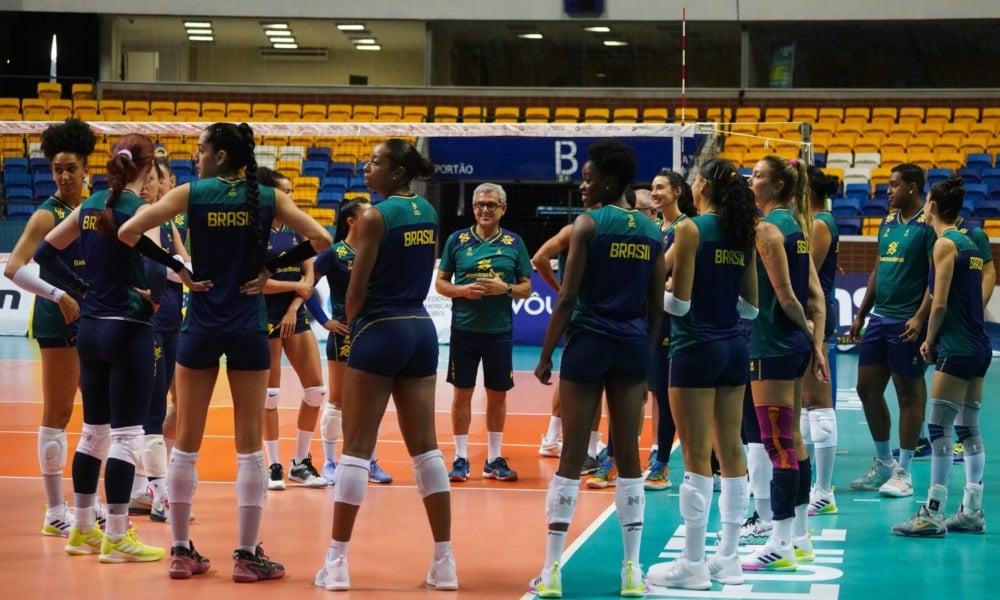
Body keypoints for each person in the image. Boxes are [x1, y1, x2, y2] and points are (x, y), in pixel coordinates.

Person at [117, 122, 331, 582]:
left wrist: (181, 270)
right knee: (250, 446)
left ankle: (178, 551)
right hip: (248, 327)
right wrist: (269, 266)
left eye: (201, 150)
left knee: (187, 444)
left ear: (219, 156)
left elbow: (129, 233)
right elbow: (323, 240)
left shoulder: (190, 194)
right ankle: (247, 555)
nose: (195, 157)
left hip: (200, 327)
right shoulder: (268, 198)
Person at [34, 133, 192, 563]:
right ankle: (118, 536)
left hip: (89, 329)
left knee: (93, 433)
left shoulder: (90, 205)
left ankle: (82, 528)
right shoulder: (143, 211)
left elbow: (44, 254)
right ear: (147, 167)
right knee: (127, 436)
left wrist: (81, 288)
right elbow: (159, 274)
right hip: (129, 329)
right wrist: (150, 296)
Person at [313, 139, 457, 591]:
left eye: (375, 162)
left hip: (380, 328)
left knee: (355, 448)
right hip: (420, 330)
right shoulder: (429, 214)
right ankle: (444, 562)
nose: (366, 167)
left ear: (397, 172)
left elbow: (354, 292)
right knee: (427, 450)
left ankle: (336, 564)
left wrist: (356, 327)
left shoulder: (375, 217)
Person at [529, 139, 665, 598]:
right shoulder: (650, 230)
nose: (582, 186)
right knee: (628, 457)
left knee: (571, 456)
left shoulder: (587, 224)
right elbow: (654, 306)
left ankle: (551, 572)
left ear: (608, 180)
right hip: (630, 347)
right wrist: (646, 362)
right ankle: (631, 570)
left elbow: (567, 296)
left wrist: (547, 354)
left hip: (588, 344)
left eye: (587, 179)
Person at [647, 158, 758, 589]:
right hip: (734, 347)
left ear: (705, 185)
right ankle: (727, 558)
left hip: (694, 348)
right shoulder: (742, 232)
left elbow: (681, 305)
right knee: (731, 450)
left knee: (695, 457)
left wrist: (660, 294)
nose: (690, 185)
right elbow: (751, 307)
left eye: (693, 179)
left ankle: (692, 564)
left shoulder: (691, 229)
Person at [4, 118, 95, 537]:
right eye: (57, 168)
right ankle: (55, 510)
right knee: (57, 414)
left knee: (98, 416)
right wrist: (58, 296)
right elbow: (13, 268)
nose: (63, 175)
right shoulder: (46, 216)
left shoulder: (96, 209)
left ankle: (87, 506)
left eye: (71, 168)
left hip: (96, 320)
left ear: (85, 169)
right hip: (57, 322)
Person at [742, 155, 827, 571]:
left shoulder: (768, 229)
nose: (749, 179)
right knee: (793, 439)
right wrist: (815, 342)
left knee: (777, 444)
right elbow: (817, 298)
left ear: (776, 187)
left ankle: (778, 543)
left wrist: (815, 341)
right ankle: (800, 539)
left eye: (757, 175)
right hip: (792, 344)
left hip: (773, 345)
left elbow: (789, 297)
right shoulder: (799, 227)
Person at [893, 175, 990, 537]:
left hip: (957, 348)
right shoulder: (969, 242)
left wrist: (929, 341)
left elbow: (940, 301)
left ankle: (933, 513)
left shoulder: (945, 245)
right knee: (968, 428)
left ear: (930, 206)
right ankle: (972, 511)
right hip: (980, 348)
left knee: (939, 429)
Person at [847, 163, 935, 498]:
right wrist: (861, 313)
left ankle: (905, 472)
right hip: (879, 319)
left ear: (912, 187)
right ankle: (884, 461)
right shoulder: (886, 223)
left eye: (894, 185)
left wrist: (920, 317)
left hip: (906, 323)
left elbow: (934, 278)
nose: (887, 191)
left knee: (908, 395)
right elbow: (878, 267)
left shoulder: (927, 227)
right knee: (866, 389)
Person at [435, 183, 533, 483]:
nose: (484, 210)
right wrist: (462, 290)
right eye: (479, 205)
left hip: (499, 332)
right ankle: (461, 458)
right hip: (464, 331)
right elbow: (441, 283)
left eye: (491, 205)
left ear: (503, 208)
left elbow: (526, 288)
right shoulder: (457, 240)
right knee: (461, 394)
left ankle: (493, 459)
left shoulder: (514, 243)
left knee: (497, 396)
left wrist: (504, 288)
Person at [310, 198, 393, 485]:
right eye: (366, 211)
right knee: (338, 399)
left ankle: (368, 460)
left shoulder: (377, 251)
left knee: (372, 400)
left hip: (374, 331)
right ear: (351, 221)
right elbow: (305, 285)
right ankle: (330, 462)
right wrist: (324, 321)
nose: (374, 214)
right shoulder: (334, 254)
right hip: (344, 334)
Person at [256, 167, 329, 491]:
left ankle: (300, 463)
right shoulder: (254, 232)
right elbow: (254, 284)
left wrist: (293, 307)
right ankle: (272, 465)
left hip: (292, 314)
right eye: (285, 192)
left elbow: (308, 275)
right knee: (269, 395)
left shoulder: (296, 231)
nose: (291, 197)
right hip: (263, 316)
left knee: (316, 390)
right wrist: (293, 290)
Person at [130, 159, 192, 523]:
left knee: (172, 403)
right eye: (143, 179)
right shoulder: (135, 222)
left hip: (172, 320)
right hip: (146, 321)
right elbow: (172, 266)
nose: (146, 185)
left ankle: (145, 487)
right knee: (151, 407)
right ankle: (157, 493)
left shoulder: (166, 221)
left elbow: (182, 261)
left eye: (152, 179)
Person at [531, 210, 608, 476]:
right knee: (593, 384)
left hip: (579, 316)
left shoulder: (578, 230)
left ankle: (553, 438)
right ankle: (590, 450)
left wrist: (562, 289)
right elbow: (539, 258)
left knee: (570, 378)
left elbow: (540, 258)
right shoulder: (579, 230)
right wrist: (562, 289)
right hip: (586, 316)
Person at [645, 170, 697, 492]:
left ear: (678, 191)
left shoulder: (686, 228)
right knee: (658, 392)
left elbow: (659, 270)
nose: (654, 192)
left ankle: (662, 465)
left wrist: (661, 283)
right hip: (655, 318)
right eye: (652, 187)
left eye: (660, 186)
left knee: (670, 396)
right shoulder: (655, 229)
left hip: (678, 321)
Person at [802, 166, 841, 516]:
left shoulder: (819, 223)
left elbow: (807, 271)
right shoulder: (813, 219)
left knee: (817, 400)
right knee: (805, 401)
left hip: (816, 313)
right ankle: (809, 484)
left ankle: (824, 491)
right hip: (810, 312)